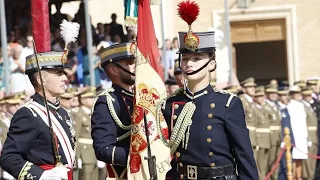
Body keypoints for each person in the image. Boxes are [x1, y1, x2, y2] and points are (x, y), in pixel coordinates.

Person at [159, 1, 258, 179]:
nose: (189, 63)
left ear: (211, 64)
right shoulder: (170, 103)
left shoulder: (227, 103)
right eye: (185, 58)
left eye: (197, 58)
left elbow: (244, 156)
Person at [0, 51, 75, 180]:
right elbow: (8, 157)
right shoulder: (28, 114)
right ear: (41, 79)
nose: (65, 78)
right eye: (58, 73)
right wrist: (41, 175)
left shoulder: (62, 112)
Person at [91, 43, 135, 179]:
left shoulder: (141, 98)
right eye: (129, 63)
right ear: (113, 70)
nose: (135, 67)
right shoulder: (107, 102)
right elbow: (103, 149)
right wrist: (138, 156)